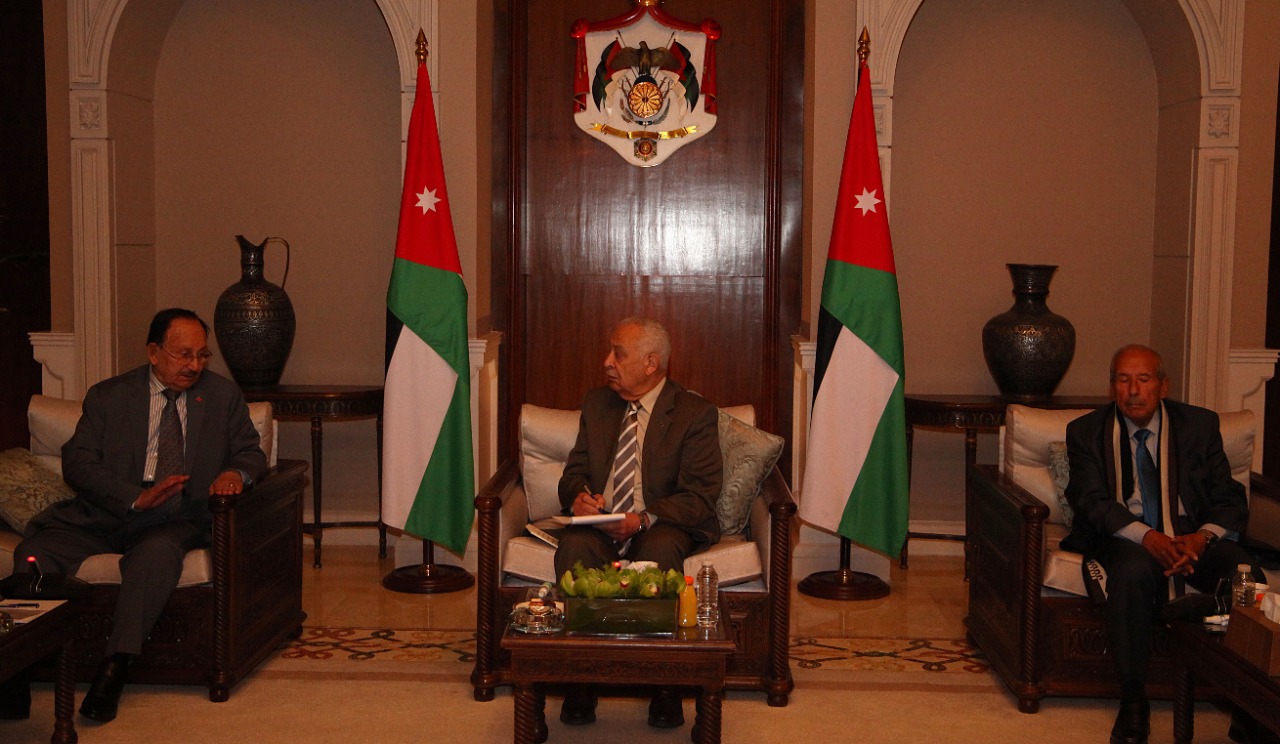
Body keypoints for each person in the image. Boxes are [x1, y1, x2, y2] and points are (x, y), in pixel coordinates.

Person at [1, 308, 266, 724]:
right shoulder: (109, 396)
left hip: (175, 518)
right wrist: (134, 498)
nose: (195, 365)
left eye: (202, 355)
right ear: (153, 353)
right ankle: (15, 672)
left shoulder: (221, 396)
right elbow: (78, 463)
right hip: (106, 513)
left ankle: (114, 668)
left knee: (155, 558)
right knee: (35, 553)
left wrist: (235, 473)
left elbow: (250, 451)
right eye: (184, 355)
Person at [1063, 344, 1269, 744]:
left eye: (1143, 379)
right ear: (1111, 387)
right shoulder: (1086, 431)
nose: (1133, 391)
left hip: (1193, 536)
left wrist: (1201, 538)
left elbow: (1229, 498)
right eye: (1123, 380)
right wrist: (1148, 537)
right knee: (1133, 572)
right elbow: (1090, 501)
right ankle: (1133, 701)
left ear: (1163, 386)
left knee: (1247, 577)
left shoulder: (1199, 426)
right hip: (1127, 537)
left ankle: (1247, 704)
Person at [553, 317, 722, 729]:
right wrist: (579, 497)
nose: (606, 361)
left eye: (618, 354)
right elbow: (573, 473)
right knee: (574, 547)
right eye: (610, 352)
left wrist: (642, 520)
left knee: (661, 550)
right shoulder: (598, 404)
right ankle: (581, 681)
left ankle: (665, 687)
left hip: (661, 525)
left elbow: (699, 496)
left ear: (650, 363)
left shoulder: (694, 413)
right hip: (601, 526)